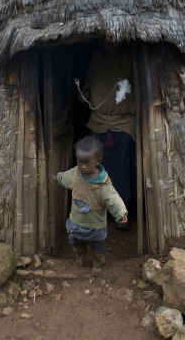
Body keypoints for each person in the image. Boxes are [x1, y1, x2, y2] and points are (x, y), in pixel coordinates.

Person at [49, 136, 128, 275]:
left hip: (95, 225)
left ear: (98, 161)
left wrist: (120, 213)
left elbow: (113, 198)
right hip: (76, 221)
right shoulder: (76, 174)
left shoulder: (102, 183)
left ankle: (98, 262)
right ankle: (80, 254)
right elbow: (66, 177)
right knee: (74, 242)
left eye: (87, 163)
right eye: (80, 162)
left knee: (97, 248)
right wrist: (58, 178)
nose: (83, 167)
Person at [80, 41, 136, 223]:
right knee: (97, 168)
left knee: (122, 170)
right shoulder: (96, 57)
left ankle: (122, 213)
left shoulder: (128, 57)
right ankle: (99, 210)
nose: (111, 46)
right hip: (98, 122)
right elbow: (89, 83)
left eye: (114, 43)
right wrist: (85, 94)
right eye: (107, 43)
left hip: (123, 123)